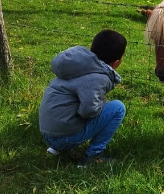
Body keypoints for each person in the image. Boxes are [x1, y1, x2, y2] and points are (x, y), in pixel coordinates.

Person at [39, 29, 127, 166]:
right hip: (62, 138)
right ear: (116, 63)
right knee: (117, 108)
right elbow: (88, 111)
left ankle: (56, 147)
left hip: (47, 132)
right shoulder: (98, 78)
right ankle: (93, 155)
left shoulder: (78, 65)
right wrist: (101, 101)